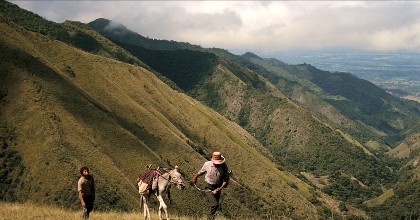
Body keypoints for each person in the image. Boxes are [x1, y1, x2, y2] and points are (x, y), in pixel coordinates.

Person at [191, 152, 230, 220]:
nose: (217, 164)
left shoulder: (224, 166)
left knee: (215, 205)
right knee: (215, 204)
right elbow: (201, 171)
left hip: (218, 187)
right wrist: (195, 178)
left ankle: (211, 217)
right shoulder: (207, 164)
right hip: (208, 186)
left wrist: (219, 188)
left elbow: (226, 179)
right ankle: (210, 218)